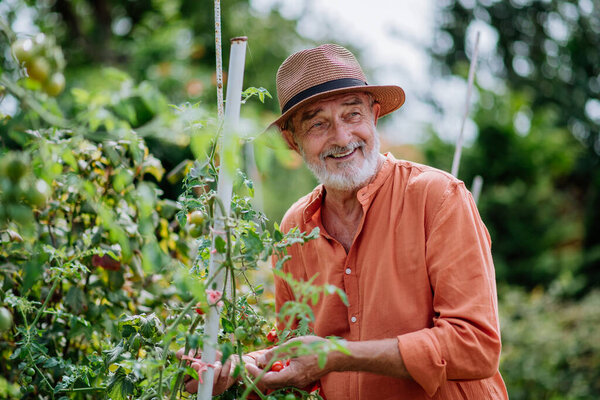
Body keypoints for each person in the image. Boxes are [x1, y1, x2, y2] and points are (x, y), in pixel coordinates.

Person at [182, 43, 509, 399]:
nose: (341, 137)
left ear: (375, 115)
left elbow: (475, 346)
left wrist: (335, 356)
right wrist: (243, 364)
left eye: (352, 115)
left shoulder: (437, 197)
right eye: (317, 124)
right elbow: (299, 352)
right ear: (293, 141)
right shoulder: (296, 227)